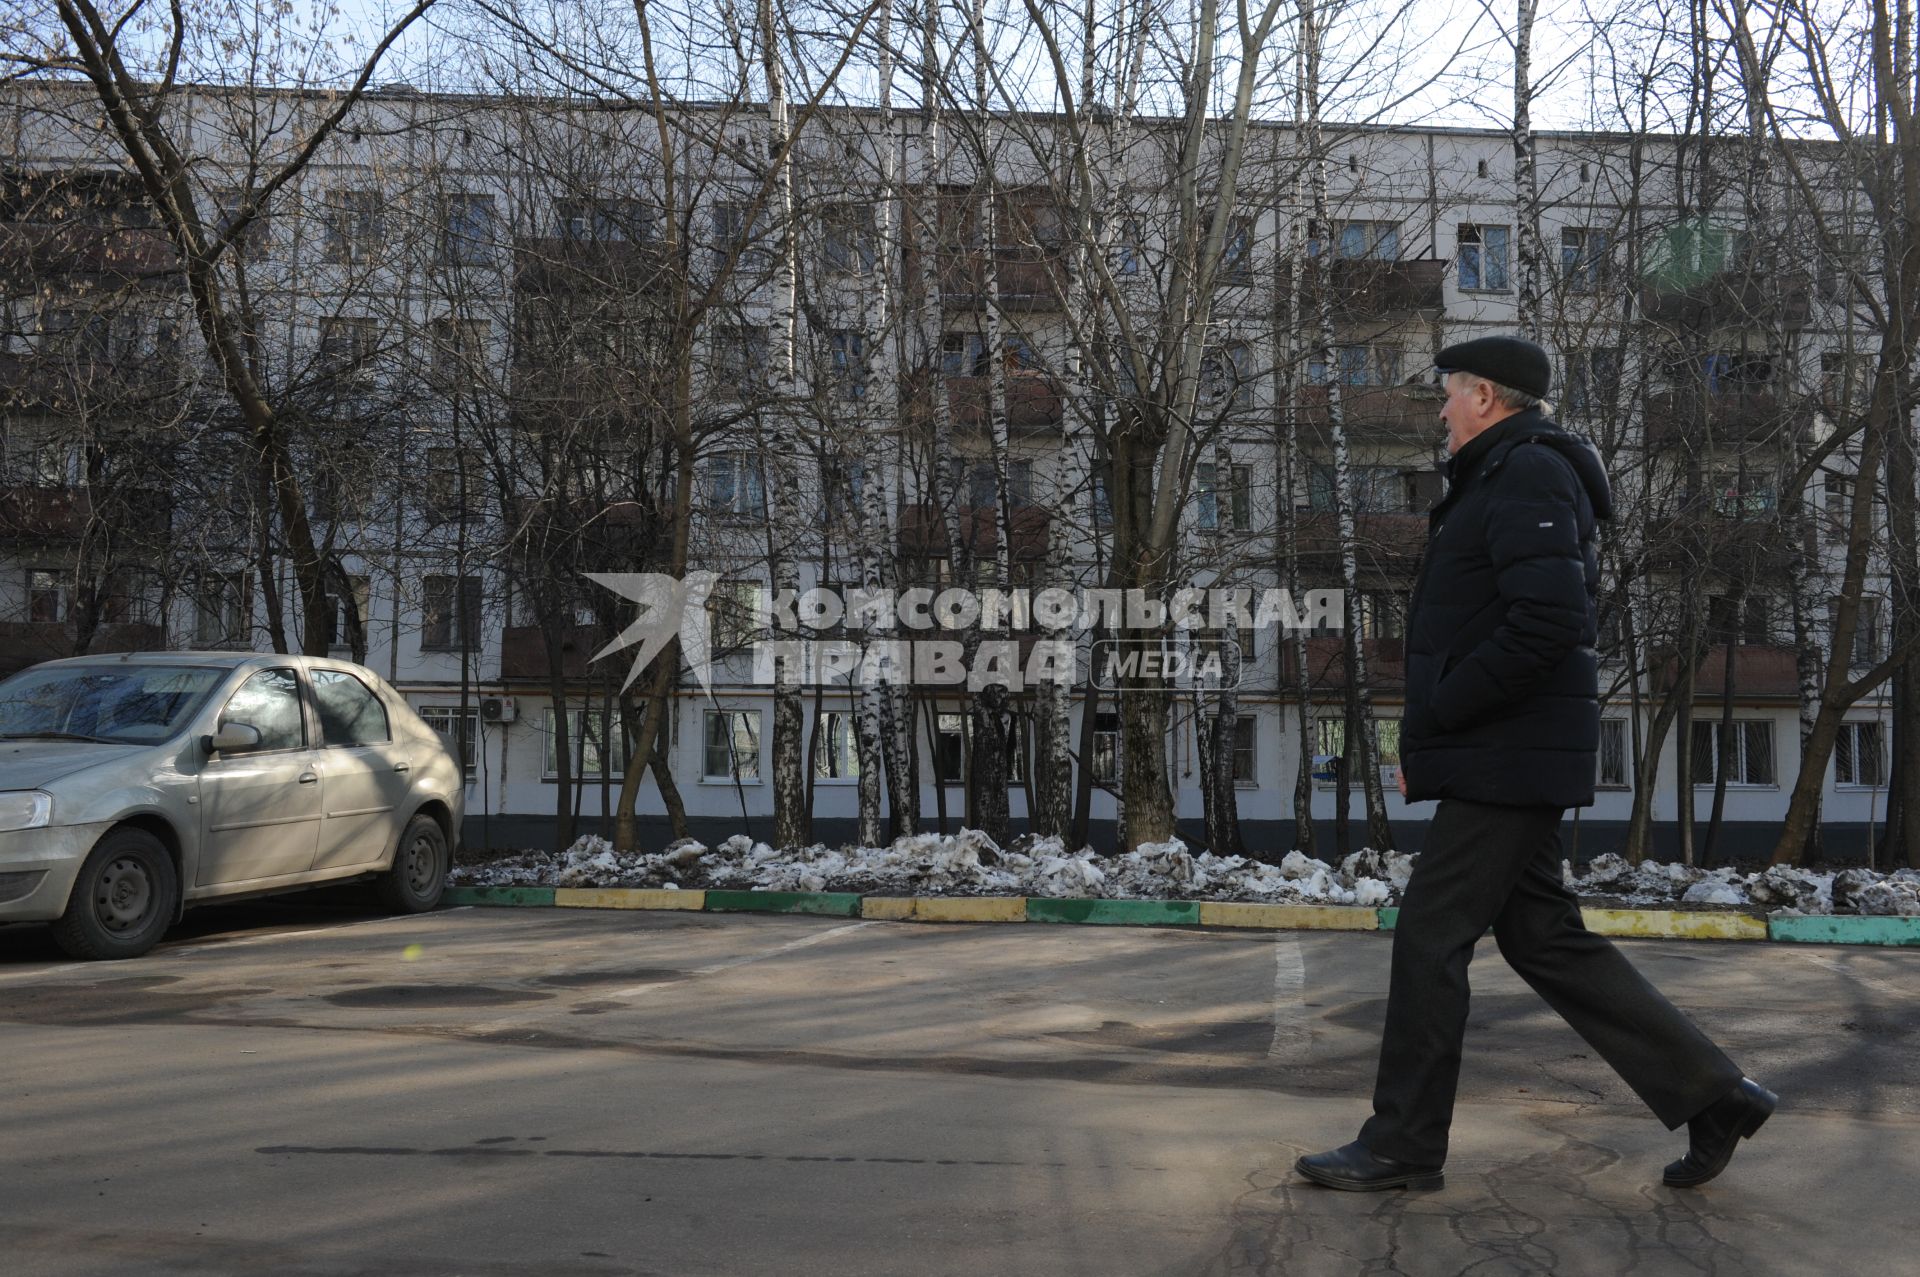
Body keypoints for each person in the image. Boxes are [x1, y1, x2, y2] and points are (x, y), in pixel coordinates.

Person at [1294, 336, 1776, 1194]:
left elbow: (1549, 624)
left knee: (1431, 935)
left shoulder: (1528, 472)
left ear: (1485, 395)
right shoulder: (1501, 475)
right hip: (1504, 750)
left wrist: (1440, 713)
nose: (1438, 409)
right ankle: (1715, 1095)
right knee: (1542, 936)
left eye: (1447, 394)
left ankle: (1404, 1144)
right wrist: (1436, 736)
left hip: (1509, 757)